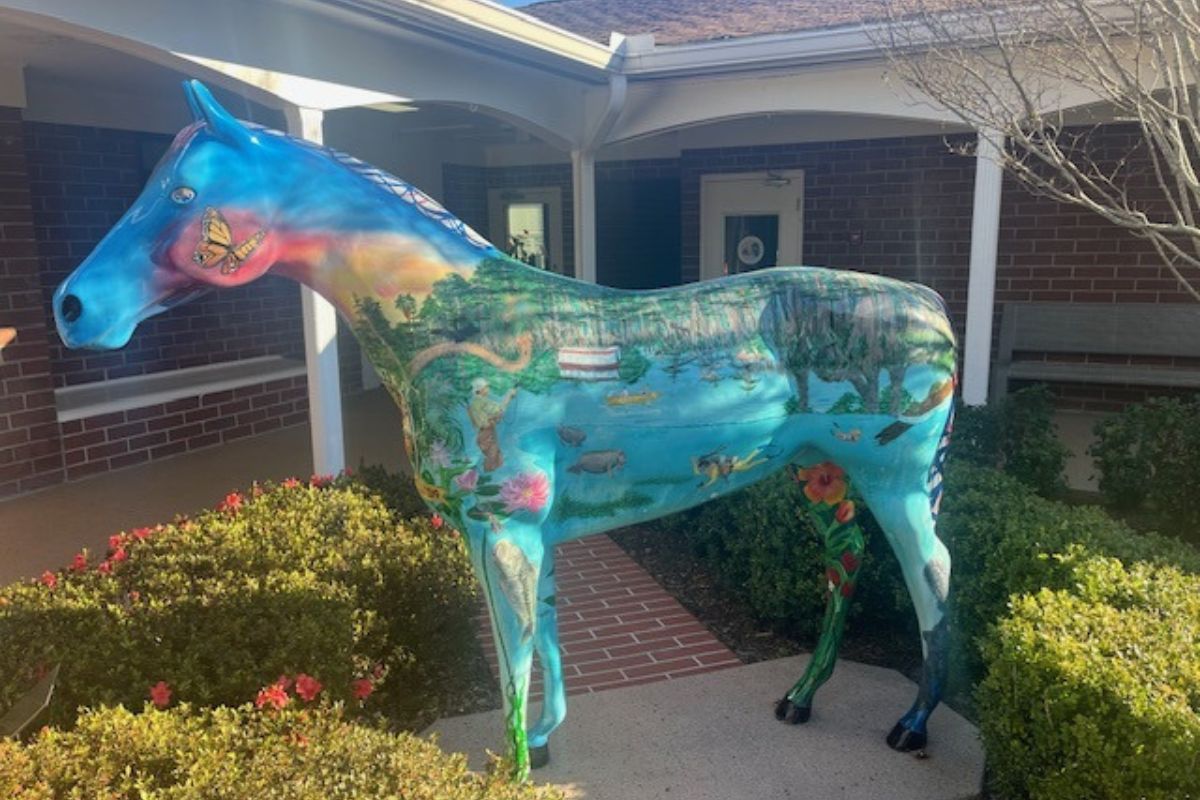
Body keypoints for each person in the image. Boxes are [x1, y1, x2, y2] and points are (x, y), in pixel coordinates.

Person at [468, 377, 516, 471]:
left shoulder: (475, 402)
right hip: (487, 434)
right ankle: (487, 475)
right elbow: (500, 409)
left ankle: (486, 474)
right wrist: (509, 395)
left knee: (493, 457)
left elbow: (490, 416)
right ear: (480, 389)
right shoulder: (482, 401)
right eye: (486, 387)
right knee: (493, 459)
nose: (488, 389)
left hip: (483, 434)